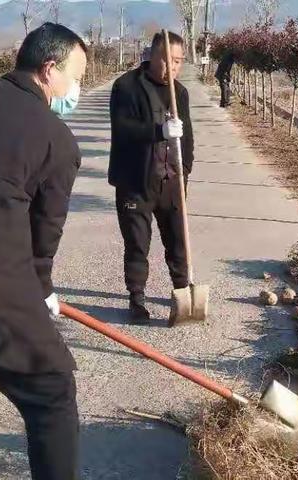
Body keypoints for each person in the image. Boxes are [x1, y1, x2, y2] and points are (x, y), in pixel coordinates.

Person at [0, 23, 87, 480]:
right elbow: (42, 243)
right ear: (49, 70)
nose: (77, 89)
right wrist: (42, 290)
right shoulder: (57, 141)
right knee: (53, 391)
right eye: (77, 77)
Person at [109, 31, 194, 324]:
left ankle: (183, 290)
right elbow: (123, 130)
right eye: (168, 59)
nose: (174, 67)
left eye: (179, 61)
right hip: (135, 182)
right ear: (152, 56)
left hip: (171, 182)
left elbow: (189, 139)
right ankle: (137, 299)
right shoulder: (126, 87)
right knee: (137, 244)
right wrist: (159, 131)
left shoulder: (180, 92)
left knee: (178, 241)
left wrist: (185, 172)